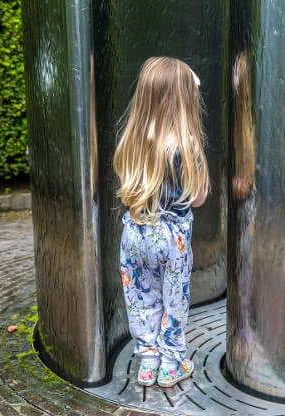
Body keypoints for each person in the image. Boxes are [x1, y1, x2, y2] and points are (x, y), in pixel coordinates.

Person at [113, 57, 209, 388]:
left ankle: (147, 362)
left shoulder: (133, 139)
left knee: (141, 300)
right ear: (186, 100)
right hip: (172, 240)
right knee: (173, 300)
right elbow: (198, 198)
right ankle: (170, 364)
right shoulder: (188, 145)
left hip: (134, 234)